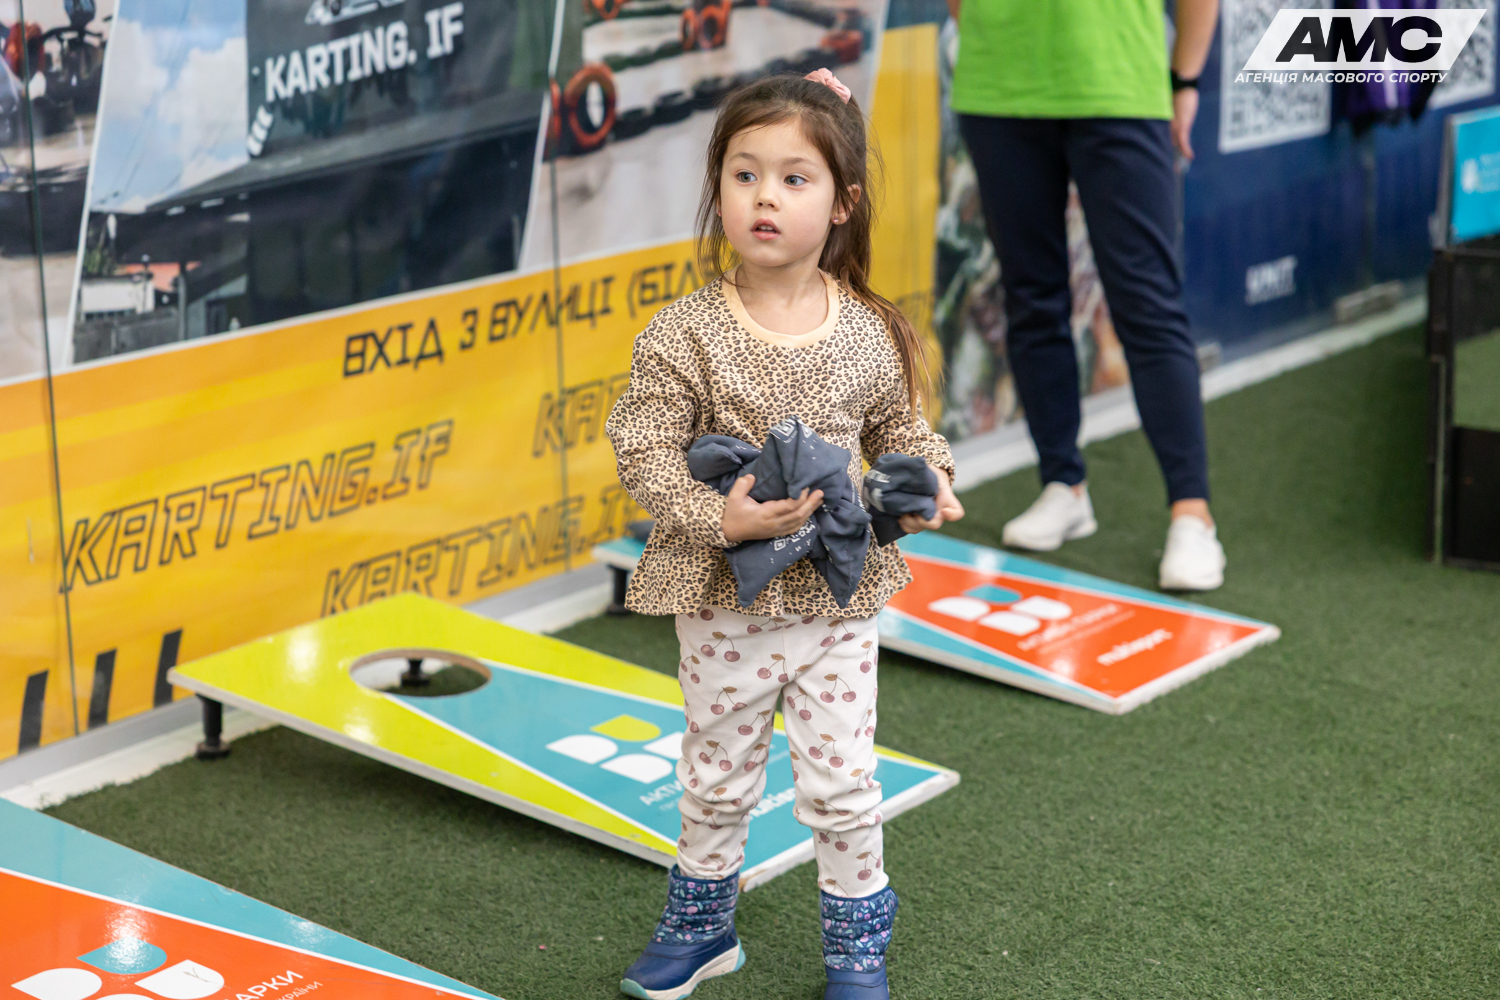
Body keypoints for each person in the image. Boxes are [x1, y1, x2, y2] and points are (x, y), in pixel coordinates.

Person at [605, 69, 963, 1000]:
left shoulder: (870, 330)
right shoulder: (682, 332)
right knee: (716, 775)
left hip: (837, 603)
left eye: (794, 178)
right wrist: (714, 516)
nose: (765, 197)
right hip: (725, 602)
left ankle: (857, 952)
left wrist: (931, 479)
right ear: (718, 189)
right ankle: (703, 928)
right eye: (744, 174)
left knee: (843, 784)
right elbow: (642, 446)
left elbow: (902, 432)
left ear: (843, 203)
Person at [948, 0, 1226, 590]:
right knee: (1031, 295)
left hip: (1118, 80)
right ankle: (1063, 485)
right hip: (999, 87)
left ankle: (1192, 513)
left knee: (1146, 303)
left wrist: (1185, 80)